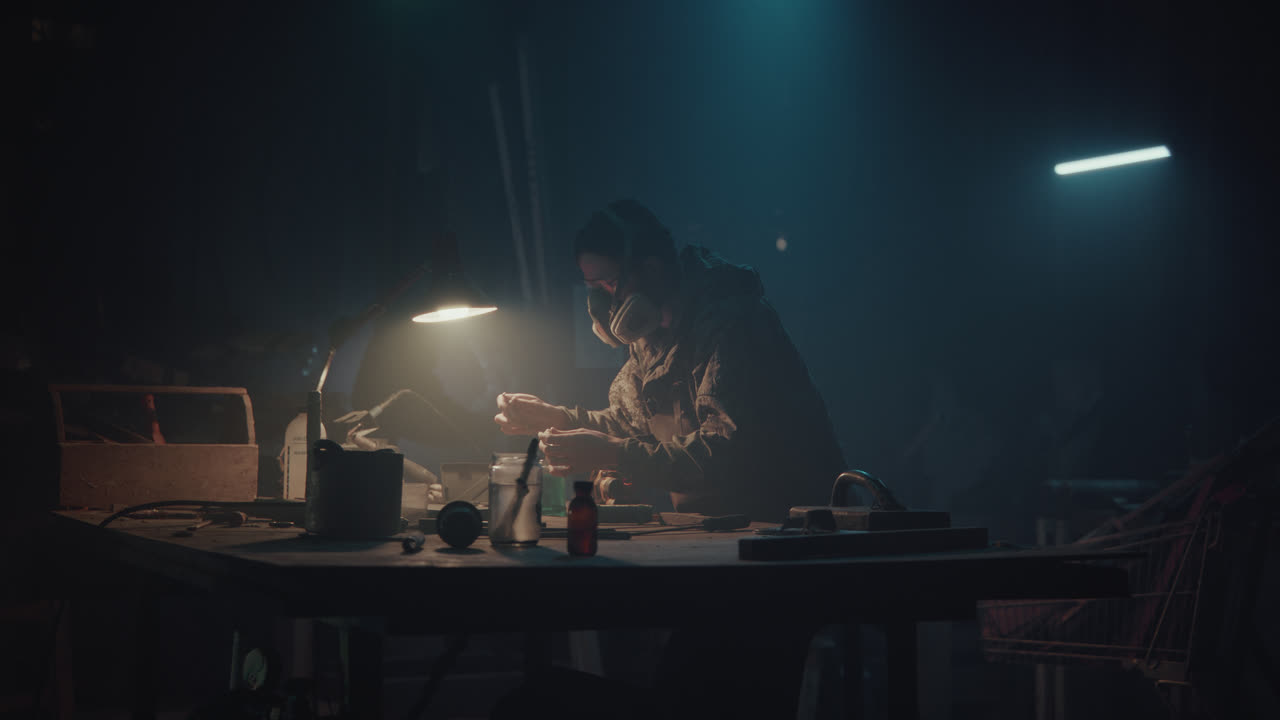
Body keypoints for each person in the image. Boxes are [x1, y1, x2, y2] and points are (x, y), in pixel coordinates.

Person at [494, 198, 847, 522]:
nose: (605, 304)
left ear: (652, 269)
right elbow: (631, 423)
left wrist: (615, 454)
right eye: (594, 288)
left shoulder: (731, 323)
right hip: (728, 531)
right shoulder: (655, 340)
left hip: (790, 532)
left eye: (610, 283)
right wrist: (559, 419)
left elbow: (727, 454)